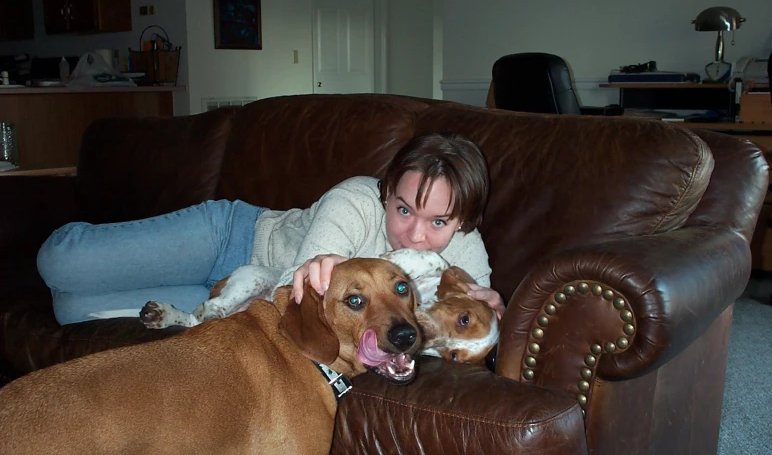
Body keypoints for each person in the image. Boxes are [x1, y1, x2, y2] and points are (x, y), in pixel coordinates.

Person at [37, 132, 505, 325]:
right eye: (403, 210)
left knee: (72, 308)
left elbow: (473, 320)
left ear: (461, 221)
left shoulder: (463, 248)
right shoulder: (355, 201)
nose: (415, 236)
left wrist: (489, 309)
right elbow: (294, 292)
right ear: (386, 192)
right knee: (59, 263)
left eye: (438, 221)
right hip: (231, 238)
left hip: (237, 298)